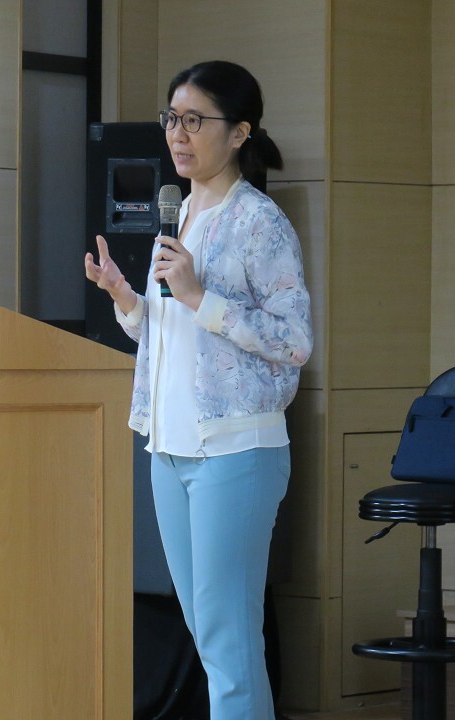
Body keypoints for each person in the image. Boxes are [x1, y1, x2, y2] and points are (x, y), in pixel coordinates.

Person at [84, 60, 312, 720]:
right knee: (211, 637)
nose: (177, 135)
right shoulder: (179, 211)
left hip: (234, 453)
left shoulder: (259, 222)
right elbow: (178, 337)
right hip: (169, 449)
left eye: (194, 120)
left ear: (239, 133)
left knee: (228, 644)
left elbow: (293, 340)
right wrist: (127, 300)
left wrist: (197, 296)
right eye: (172, 119)